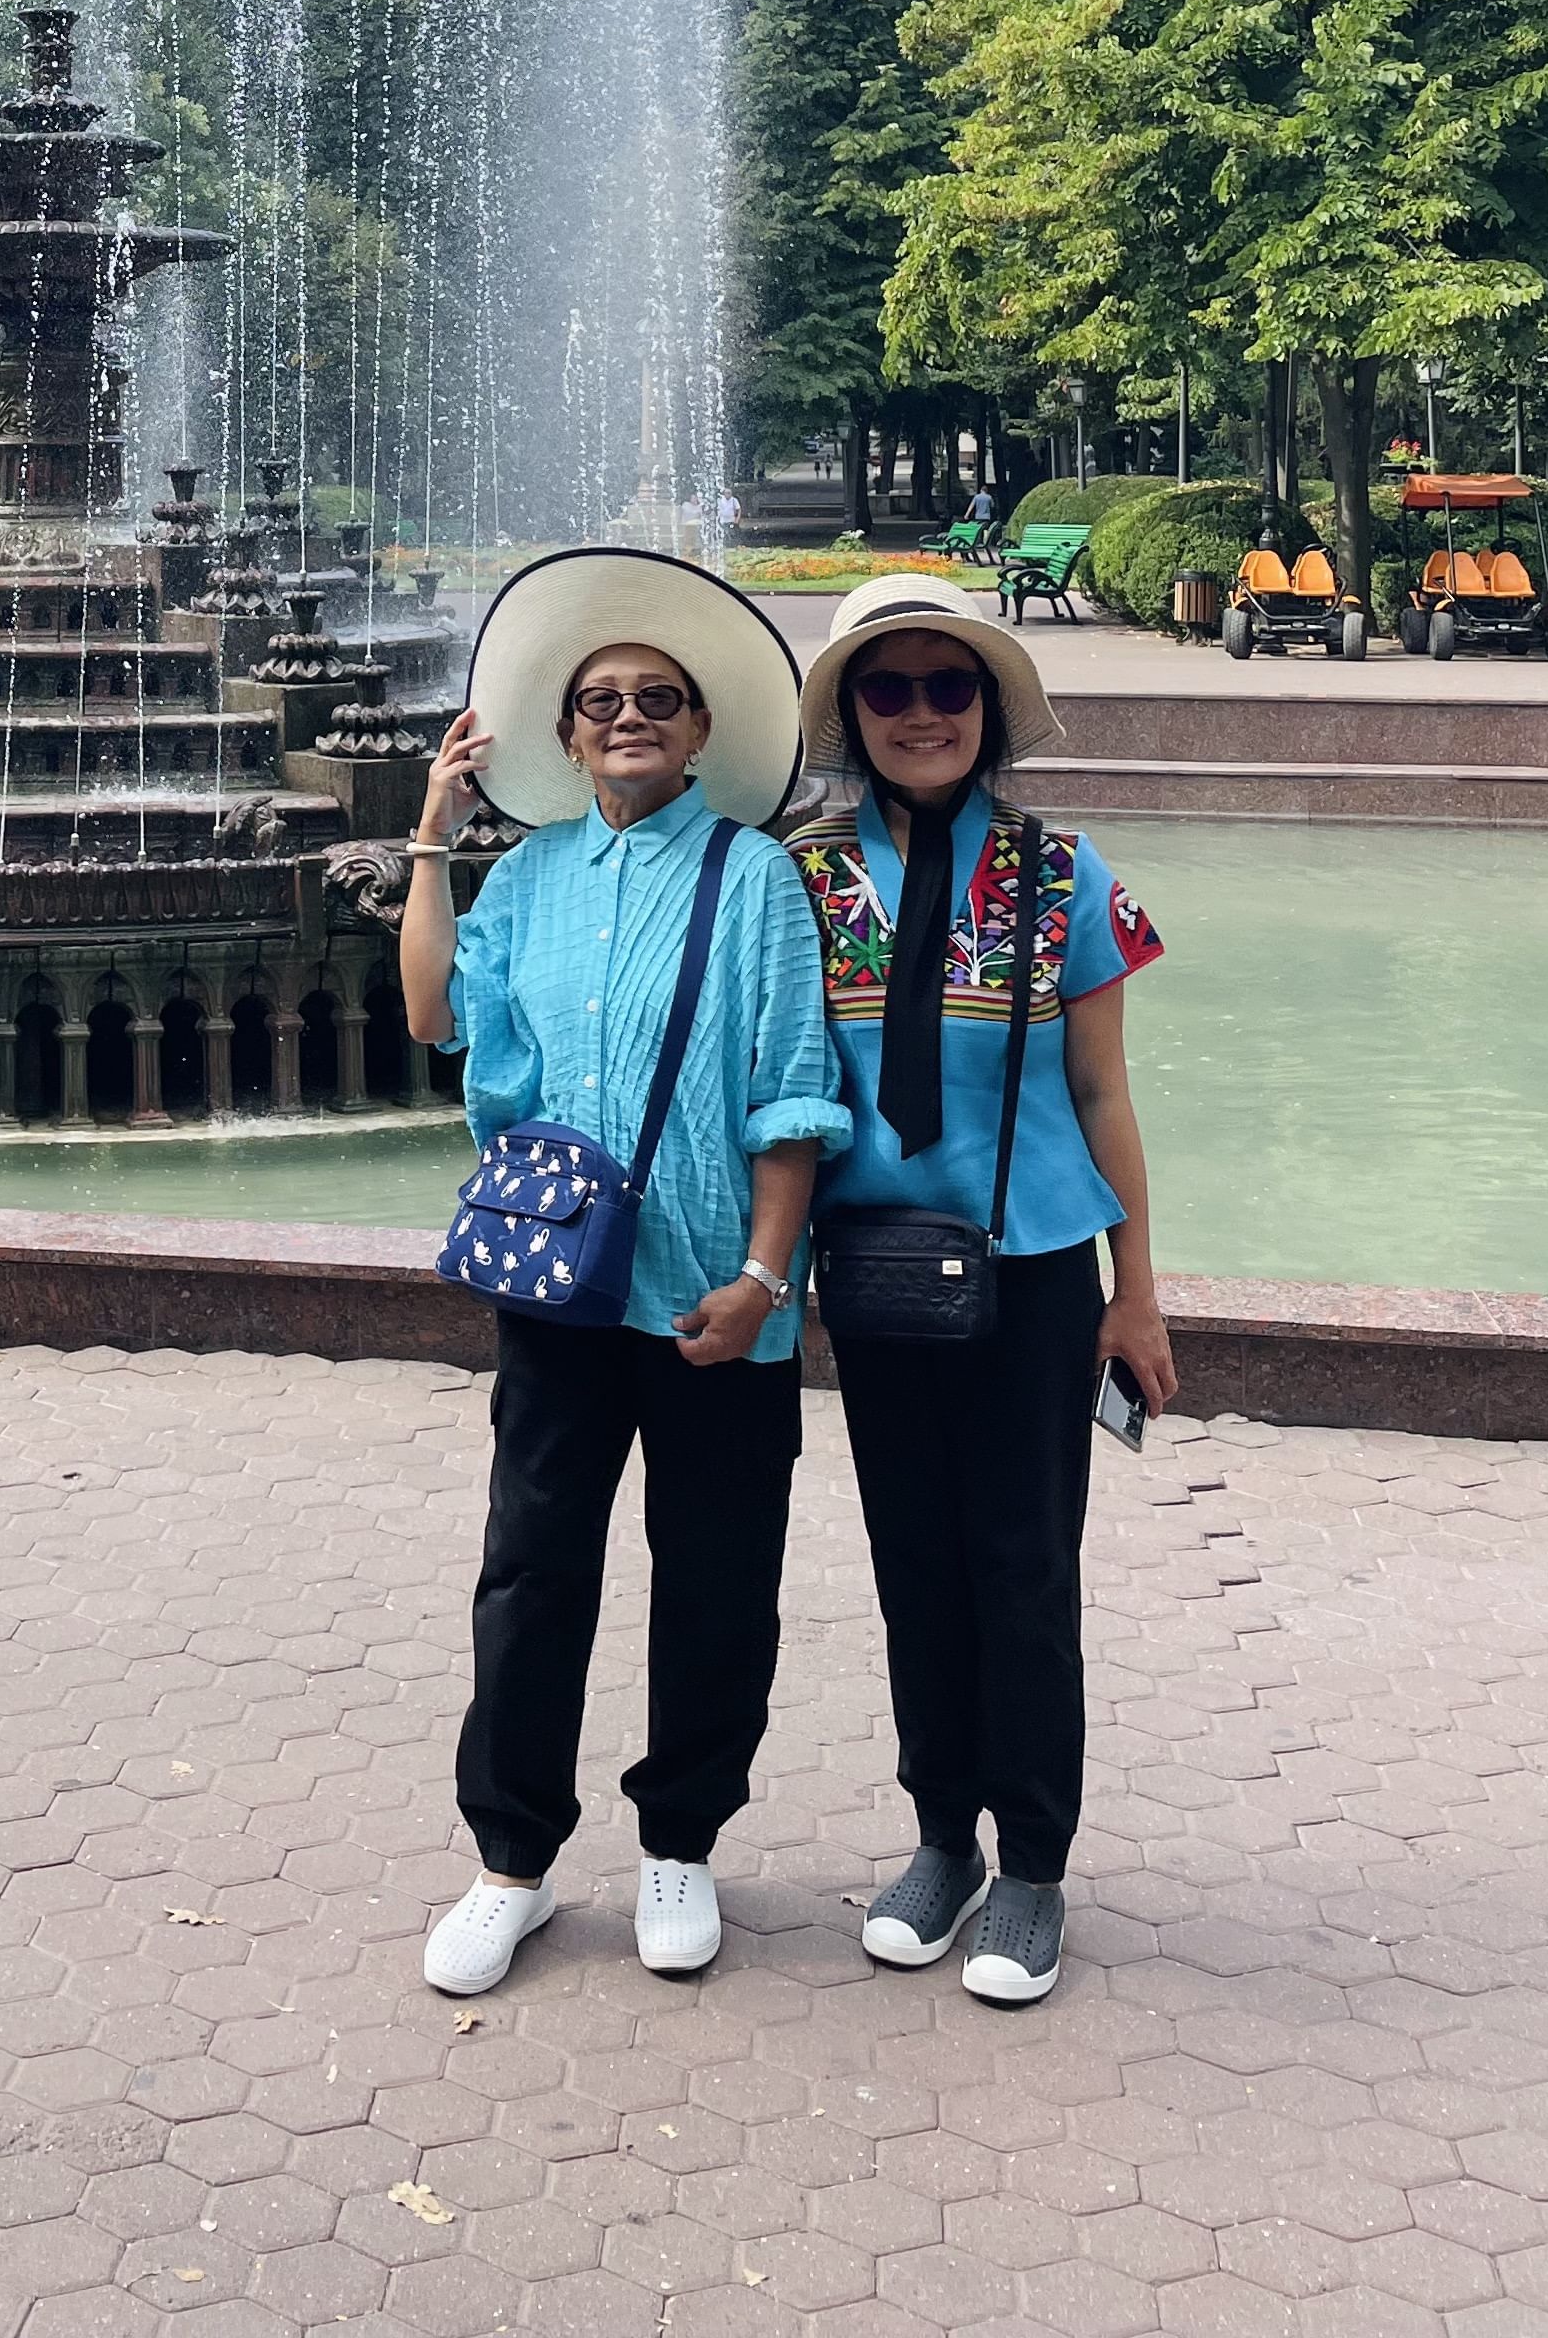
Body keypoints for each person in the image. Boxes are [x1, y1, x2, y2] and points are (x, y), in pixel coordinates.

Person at [400, 547, 849, 1998]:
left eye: (659, 698)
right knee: (533, 1574)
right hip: (561, 1293)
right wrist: (431, 833)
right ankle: (510, 1861)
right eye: (602, 701)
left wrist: (767, 1279)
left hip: (715, 1298)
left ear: (703, 729)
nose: (629, 716)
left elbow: (792, 1094)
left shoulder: (756, 878)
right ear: (569, 729)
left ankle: (681, 1845)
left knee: (717, 1579)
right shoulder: (526, 878)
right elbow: (433, 1020)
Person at [789, 574, 1174, 2012]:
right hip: (877, 1278)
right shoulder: (802, 876)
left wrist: (1136, 1293)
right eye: (890, 689)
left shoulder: (1064, 874)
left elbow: (1103, 1089)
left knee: (1022, 1563)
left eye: (951, 688)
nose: (923, 713)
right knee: (914, 1565)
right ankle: (940, 1838)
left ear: (991, 710)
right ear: (851, 716)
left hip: (1029, 1277)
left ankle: (1033, 1866)